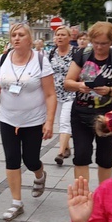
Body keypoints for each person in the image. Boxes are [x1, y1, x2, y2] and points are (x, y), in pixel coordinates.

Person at [0, 23, 56, 221]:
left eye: (21, 34)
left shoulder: (40, 61)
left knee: (31, 160)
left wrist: (49, 121)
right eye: (13, 34)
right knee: (12, 159)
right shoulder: (3, 59)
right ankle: (16, 203)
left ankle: (40, 175)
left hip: (33, 120)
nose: (16, 38)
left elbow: (50, 94)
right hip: (7, 118)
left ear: (30, 39)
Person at [64, 22, 112, 184]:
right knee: (81, 155)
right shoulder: (83, 54)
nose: (99, 47)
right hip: (81, 114)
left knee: (105, 158)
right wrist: (79, 86)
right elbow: (67, 83)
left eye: (104, 44)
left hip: (109, 116)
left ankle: (103, 195)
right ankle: (83, 196)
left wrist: (110, 90)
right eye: (96, 43)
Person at [49, 26, 76, 166]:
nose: (59, 37)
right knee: (60, 122)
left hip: (71, 93)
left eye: (62, 35)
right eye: (57, 35)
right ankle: (67, 148)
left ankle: (60, 152)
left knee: (65, 121)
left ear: (69, 37)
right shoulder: (52, 52)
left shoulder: (76, 53)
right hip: (55, 93)